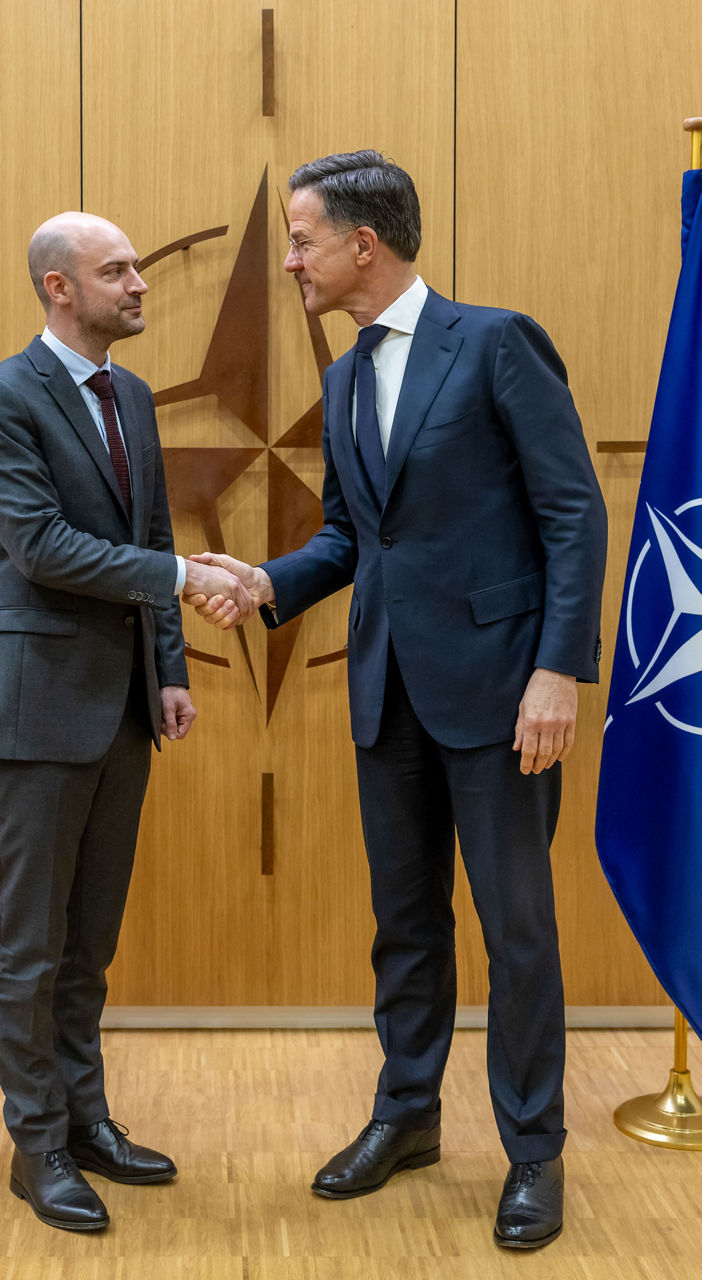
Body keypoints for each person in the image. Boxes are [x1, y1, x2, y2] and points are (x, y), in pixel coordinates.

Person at [189, 151, 607, 1249]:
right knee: (405, 926)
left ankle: (531, 1152)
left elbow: (572, 513)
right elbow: (351, 535)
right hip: (385, 691)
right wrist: (269, 582)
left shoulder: (495, 342)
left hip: (503, 691)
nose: (288, 259)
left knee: (515, 932)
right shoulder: (340, 377)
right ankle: (406, 1116)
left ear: (361, 246)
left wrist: (556, 671)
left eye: (299, 238)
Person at [0, 212, 252, 1232]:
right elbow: (40, 548)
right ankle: (33, 1145)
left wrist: (166, 666)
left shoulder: (126, 392)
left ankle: (85, 1119)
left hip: (122, 703)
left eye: (134, 267)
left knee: (89, 941)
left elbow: (147, 530)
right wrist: (181, 577)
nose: (138, 282)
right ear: (56, 287)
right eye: (114, 269)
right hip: (33, 708)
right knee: (30, 946)